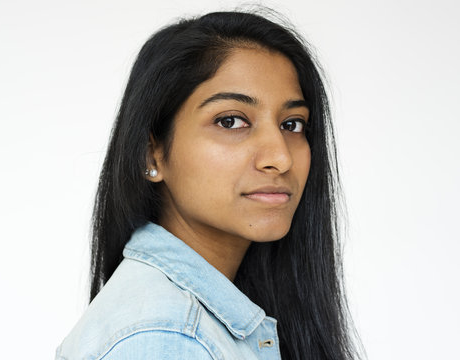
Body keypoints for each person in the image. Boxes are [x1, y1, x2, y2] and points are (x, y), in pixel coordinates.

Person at [56, 9, 362, 360]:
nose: (280, 157)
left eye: (292, 124)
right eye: (231, 121)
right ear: (151, 155)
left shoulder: (191, 320)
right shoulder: (169, 339)